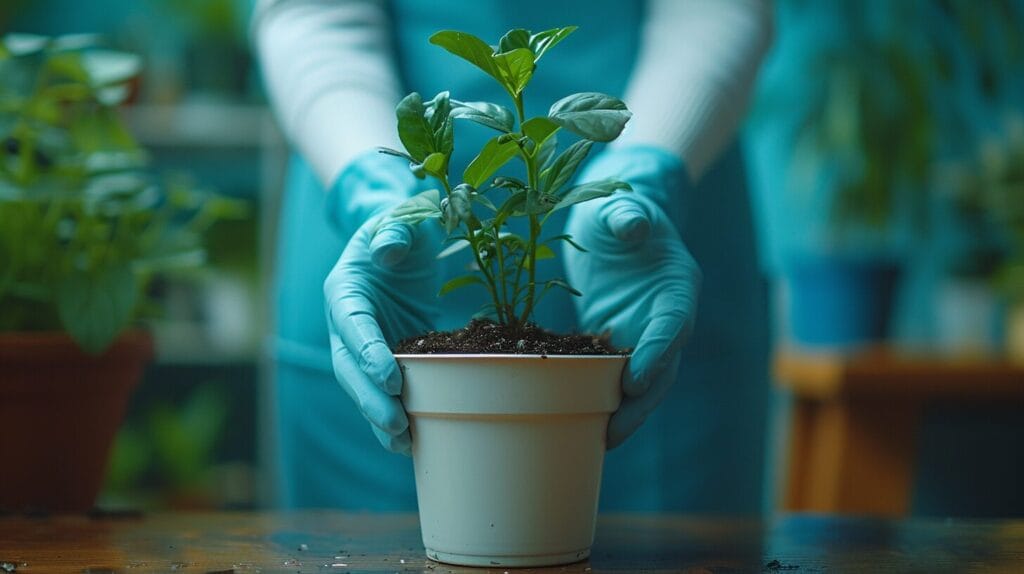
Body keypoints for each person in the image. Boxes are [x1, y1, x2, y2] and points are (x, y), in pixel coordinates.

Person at [254, 0, 773, 513]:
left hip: (661, 216)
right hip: (359, 178)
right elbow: (312, 11)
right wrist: (377, 195)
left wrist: (644, 171)